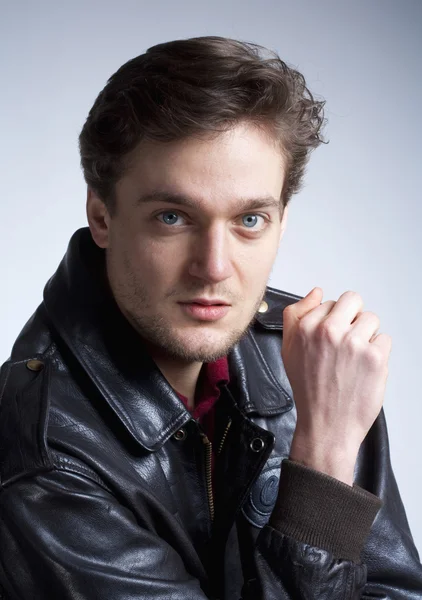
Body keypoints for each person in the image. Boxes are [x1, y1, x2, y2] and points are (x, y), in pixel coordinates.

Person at [0, 35, 421, 600]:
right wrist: (321, 462)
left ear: (281, 221)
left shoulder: (314, 363)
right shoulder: (42, 453)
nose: (214, 269)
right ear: (102, 216)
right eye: (173, 217)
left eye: (249, 220)